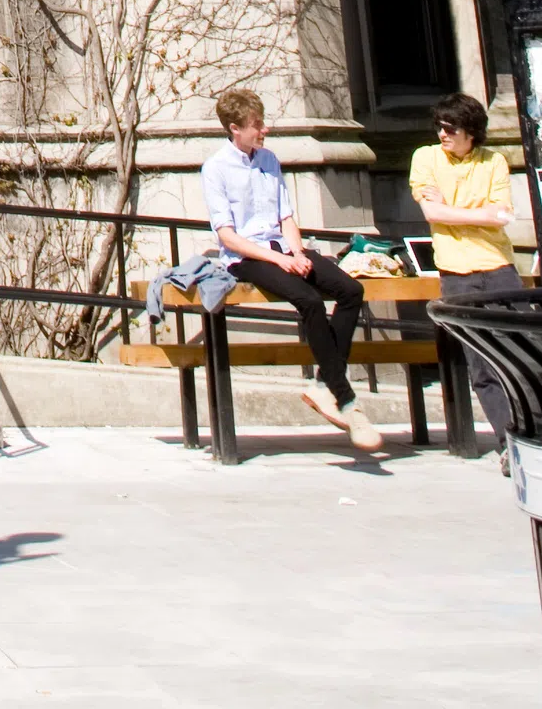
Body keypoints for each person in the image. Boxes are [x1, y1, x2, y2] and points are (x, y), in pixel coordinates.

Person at [202, 85, 383, 453]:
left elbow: (286, 216)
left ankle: (322, 383)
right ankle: (346, 399)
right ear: (235, 128)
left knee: (351, 291)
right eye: (256, 125)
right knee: (310, 302)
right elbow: (229, 237)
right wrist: (281, 260)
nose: (263, 130)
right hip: (248, 258)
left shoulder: (269, 160)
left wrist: (297, 252)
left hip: (283, 247)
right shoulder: (216, 168)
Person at [410, 90, 521, 461]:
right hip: (457, 273)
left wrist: (451, 210)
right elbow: (432, 214)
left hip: (499, 268)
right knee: (481, 366)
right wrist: (482, 215)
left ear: (471, 131)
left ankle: (534, 435)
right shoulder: (425, 158)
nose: (443, 134)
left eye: (451, 128)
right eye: (440, 127)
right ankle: (508, 444)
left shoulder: (494, 162)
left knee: (515, 357)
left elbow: (502, 215)